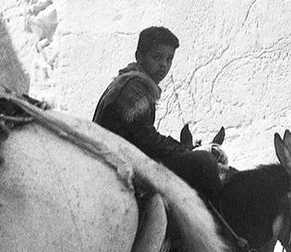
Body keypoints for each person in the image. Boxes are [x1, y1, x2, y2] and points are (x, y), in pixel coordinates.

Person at [93, 25, 223, 204]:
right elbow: (147, 140)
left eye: (169, 59)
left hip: (127, 158)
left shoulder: (134, 83)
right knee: (205, 163)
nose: (164, 65)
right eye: (157, 57)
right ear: (140, 56)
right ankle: (220, 227)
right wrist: (186, 150)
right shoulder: (133, 88)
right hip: (122, 164)